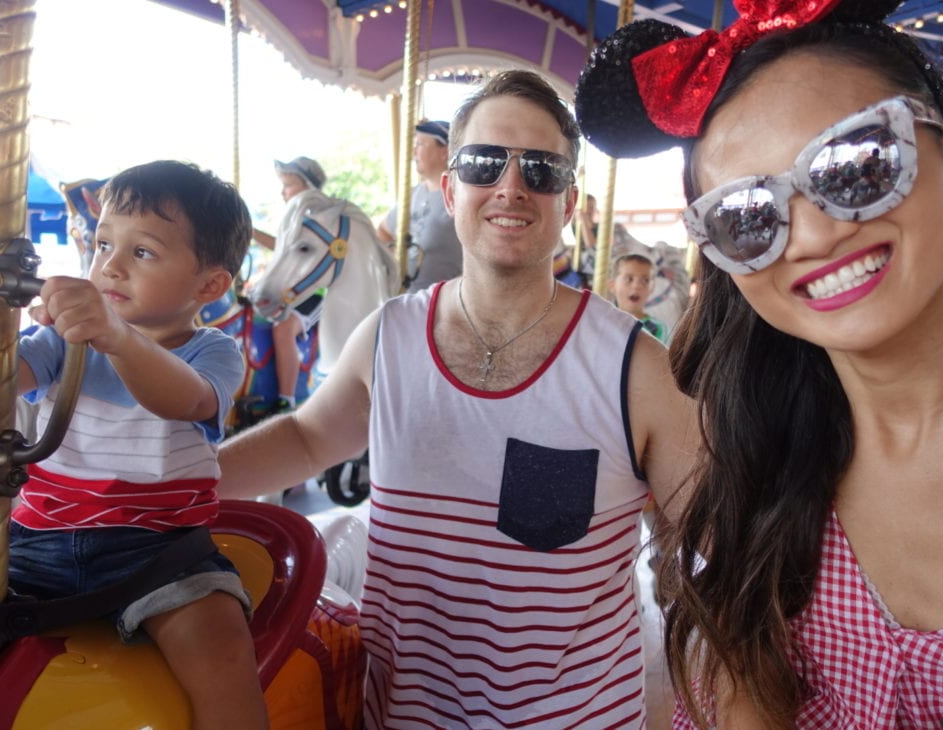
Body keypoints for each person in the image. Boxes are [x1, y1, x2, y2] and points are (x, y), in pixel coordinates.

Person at [576, 1, 943, 727]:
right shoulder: (760, 434)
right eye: (746, 216)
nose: (811, 237)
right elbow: (739, 673)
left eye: (856, 166)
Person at [218, 69, 698, 728]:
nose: (510, 187)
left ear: (568, 201)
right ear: (450, 189)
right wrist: (178, 487)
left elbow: (708, 537)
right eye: (483, 164)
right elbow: (306, 439)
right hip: (402, 714)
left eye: (541, 170)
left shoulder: (634, 367)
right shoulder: (387, 337)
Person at [10, 160, 266, 729]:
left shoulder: (212, 352)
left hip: (157, 552)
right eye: (103, 244)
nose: (110, 265)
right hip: (35, 540)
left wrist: (117, 337)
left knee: (223, 653)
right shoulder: (60, 341)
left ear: (209, 286)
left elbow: (183, 399)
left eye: (142, 252)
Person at [255, 156, 328, 411]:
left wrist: (251, 232)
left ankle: (286, 399)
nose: (282, 192)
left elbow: (284, 250)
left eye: (288, 185)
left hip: (315, 294)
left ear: (309, 186)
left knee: (283, 329)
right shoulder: (293, 219)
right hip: (290, 293)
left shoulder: (319, 219)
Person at [376, 119, 464, 291]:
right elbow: (383, 232)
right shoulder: (412, 195)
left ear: (445, 152)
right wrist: (394, 258)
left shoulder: (461, 197)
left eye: (420, 144)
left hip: (444, 300)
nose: (413, 152)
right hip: (406, 296)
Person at [607, 252, 671, 345]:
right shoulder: (604, 321)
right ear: (612, 285)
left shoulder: (657, 328)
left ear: (652, 288)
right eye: (629, 279)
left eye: (645, 280)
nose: (637, 286)